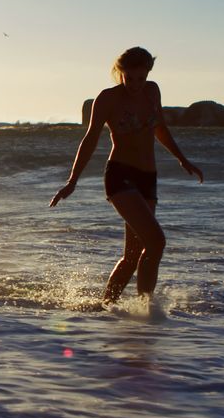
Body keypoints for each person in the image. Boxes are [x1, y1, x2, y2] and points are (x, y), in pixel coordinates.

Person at [49, 47, 203, 304]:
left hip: (148, 177)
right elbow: (90, 139)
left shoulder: (152, 91)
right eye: (128, 78)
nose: (134, 84)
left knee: (133, 255)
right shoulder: (108, 99)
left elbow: (160, 128)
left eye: (140, 78)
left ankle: (106, 306)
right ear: (120, 73)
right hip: (120, 175)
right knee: (156, 242)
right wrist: (72, 180)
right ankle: (146, 310)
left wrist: (182, 158)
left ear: (148, 73)